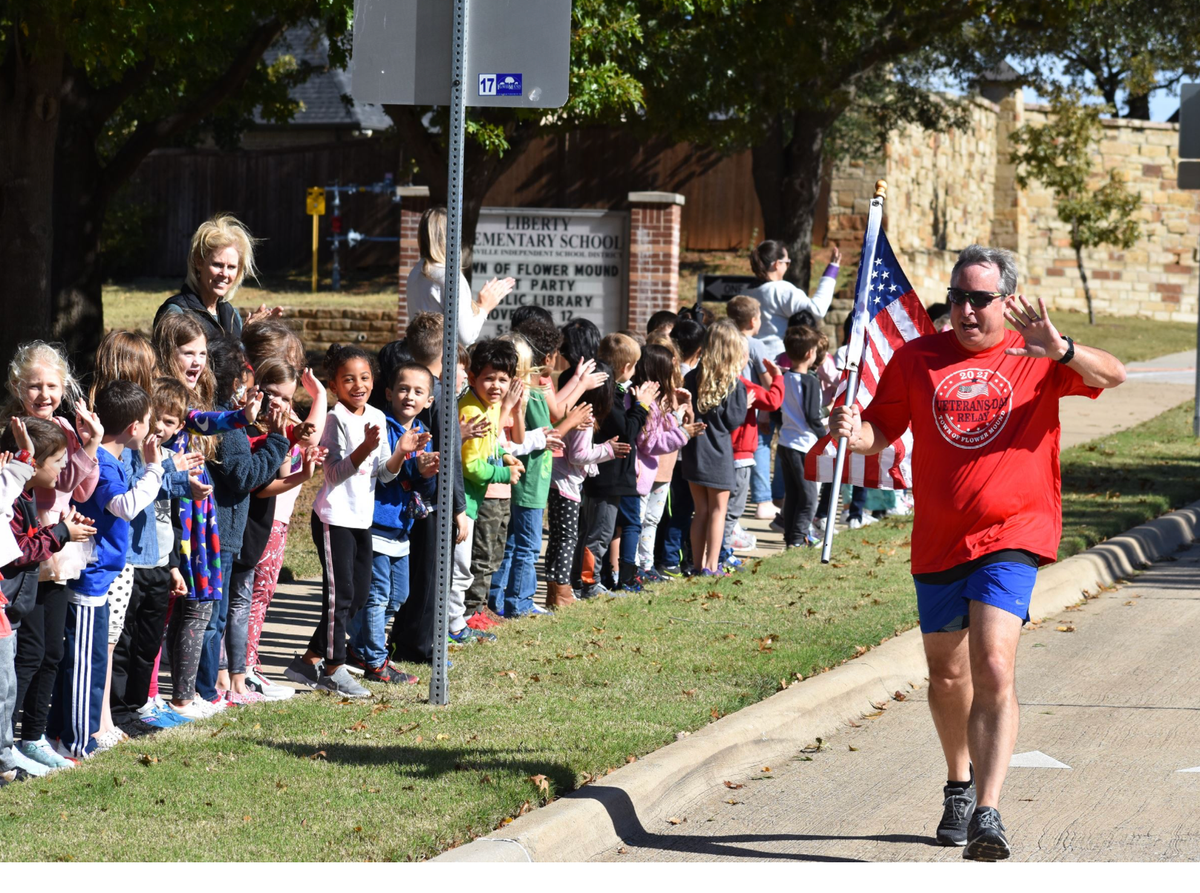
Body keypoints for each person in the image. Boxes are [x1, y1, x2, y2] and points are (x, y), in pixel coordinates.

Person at [829, 244, 1126, 860]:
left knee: (993, 663)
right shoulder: (917, 358)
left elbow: (1114, 374)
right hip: (939, 537)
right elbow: (878, 432)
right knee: (947, 674)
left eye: (980, 299)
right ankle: (958, 784)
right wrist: (847, 429)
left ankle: (989, 813)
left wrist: (1062, 348)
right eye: (958, 297)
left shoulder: (1036, 354)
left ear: (1007, 301)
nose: (965, 310)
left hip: (1013, 535)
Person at [285, 345, 418, 698]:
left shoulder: (375, 415)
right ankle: (332, 669)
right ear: (334, 386)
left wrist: (401, 451)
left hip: (362, 519)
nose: (358, 385)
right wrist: (362, 449)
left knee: (357, 595)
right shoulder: (335, 419)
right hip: (333, 518)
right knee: (339, 595)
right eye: (349, 379)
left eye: (364, 377)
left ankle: (307, 660)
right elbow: (332, 473)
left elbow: (384, 475)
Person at [47, 381, 163, 759]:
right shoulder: (108, 466)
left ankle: (68, 736)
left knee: (92, 659)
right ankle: (78, 742)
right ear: (134, 427)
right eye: (147, 421)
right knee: (84, 663)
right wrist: (154, 469)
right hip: (90, 580)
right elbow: (123, 506)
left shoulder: (109, 461)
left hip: (98, 581)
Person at [1, 342, 102, 771]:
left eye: (52, 386)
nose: (44, 394)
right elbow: (26, 485)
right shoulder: (15, 433)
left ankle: (35, 737)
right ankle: (12, 738)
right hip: (26, 549)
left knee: (52, 652)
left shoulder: (65, 426)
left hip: (60, 548)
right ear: (17, 387)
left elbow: (79, 488)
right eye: (34, 386)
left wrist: (89, 447)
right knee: (28, 651)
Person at [345, 362, 437, 684]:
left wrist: (426, 474)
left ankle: (357, 645)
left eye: (418, 391)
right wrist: (411, 464)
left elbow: (422, 488)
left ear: (429, 399)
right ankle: (375, 660)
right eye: (403, 389)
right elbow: (383, 476)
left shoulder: (422, 431)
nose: (409, 396)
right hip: (376, 525)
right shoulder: (381, 426)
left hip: (402, 529)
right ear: (388, 393)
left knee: (399, 596)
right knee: (378, 594)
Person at [456, 339, 524, 633]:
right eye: (489, 378)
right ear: (472, 378)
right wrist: (503, 475)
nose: (496, 386)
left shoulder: (490, 405)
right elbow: (470, 466)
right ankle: (467, 616)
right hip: (468, 501)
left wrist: (504, 455)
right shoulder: (471, 410)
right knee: (473, 562)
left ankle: (476, 610)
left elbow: (489, 443)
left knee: (489, 556)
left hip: (477, 497)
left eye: (503, 379)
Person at [681, 320, 750, 576]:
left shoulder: (691, 377)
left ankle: (698, 565)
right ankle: (712, 565)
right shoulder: (734, 384)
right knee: (718, 512)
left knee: (700, 512)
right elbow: (734, 420)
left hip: (693, 451)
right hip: (719, 454)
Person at [154, 214, 280, 341]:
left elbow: (237, 360)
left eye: (231, 267)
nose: (224, 274)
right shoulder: (176, 312)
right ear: (199, 262)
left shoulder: (232, 316)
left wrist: (248, 335)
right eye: (217, 265)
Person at [406, 206, 515, 346]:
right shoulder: (449, 276)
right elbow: (465, 338)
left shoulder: (415, 273)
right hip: (443, 364)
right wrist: (484, 308)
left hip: (421, 360)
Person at [777, 326, 828, 548]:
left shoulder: (783, 377)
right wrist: (825, 436)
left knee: (793, 494)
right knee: (808, 498)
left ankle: (790, 537)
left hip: (785, 442)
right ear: (810, 353)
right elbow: (812, 416)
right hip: (803, 445)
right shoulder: (810, 381)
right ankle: (798, 539)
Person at [746, 242, 840, 358]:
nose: (788, 266)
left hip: (749, 361)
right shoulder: (781, 289)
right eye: (787, 263)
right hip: (777, 363)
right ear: (777, 264)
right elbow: (817, 310)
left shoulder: (746, 291)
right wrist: (832, 271)